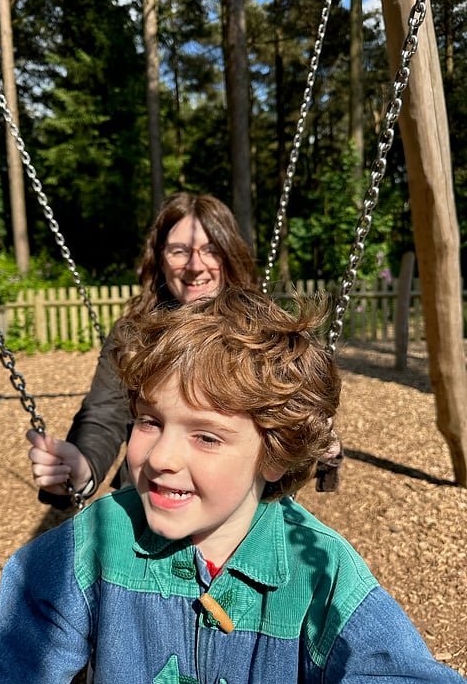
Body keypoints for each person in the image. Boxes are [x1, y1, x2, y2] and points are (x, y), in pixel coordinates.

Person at [0, 287, 465, 684]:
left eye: (207, 436)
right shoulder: (94, 544)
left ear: (275, 455)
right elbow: (9, 659)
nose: (161, 457)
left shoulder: (323, 574)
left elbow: (393, 672)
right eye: (149, 422)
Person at [28, 191, 343, 510]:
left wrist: (319, 446)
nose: (195, 265)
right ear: (159, 258)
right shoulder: (133, 333)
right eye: (179, 251)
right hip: (153, 497)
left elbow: (293, 414)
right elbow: (104, 411)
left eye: (211, 250)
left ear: (229, 256)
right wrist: (82, 467)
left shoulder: (262, 334)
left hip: (236, 510)